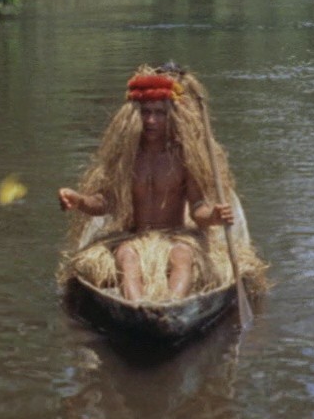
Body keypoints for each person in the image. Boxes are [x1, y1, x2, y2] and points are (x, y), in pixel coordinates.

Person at [58, 65, 266, 302]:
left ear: (171, 115)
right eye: (146, 112)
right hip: (134, 235)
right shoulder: (127, 157)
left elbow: (198, 208)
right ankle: (138, 308)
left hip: (176, 235)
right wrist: (79, 200)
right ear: (135, 115)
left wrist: (215, 216)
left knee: (182, 256)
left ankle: (172, 306)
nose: (151, 120)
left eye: (159, 113)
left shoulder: (183, 156)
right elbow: (105, 203)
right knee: (127, 258)